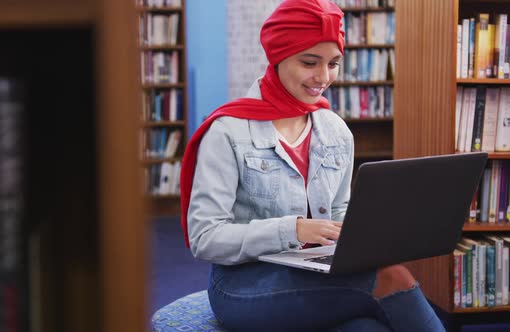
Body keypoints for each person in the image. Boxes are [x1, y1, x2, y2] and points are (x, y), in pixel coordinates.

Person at [179, 0, 445, 331]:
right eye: (309, 62)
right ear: (278, 56)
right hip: (243, 284)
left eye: (333, 63)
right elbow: (205, 237)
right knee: (394, 278)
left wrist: (371, 235)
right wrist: (293, 229)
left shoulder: (336, 130)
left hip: (317, 271)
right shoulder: (228, 132)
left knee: (366, 328)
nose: (323, 77)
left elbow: (338, 214)